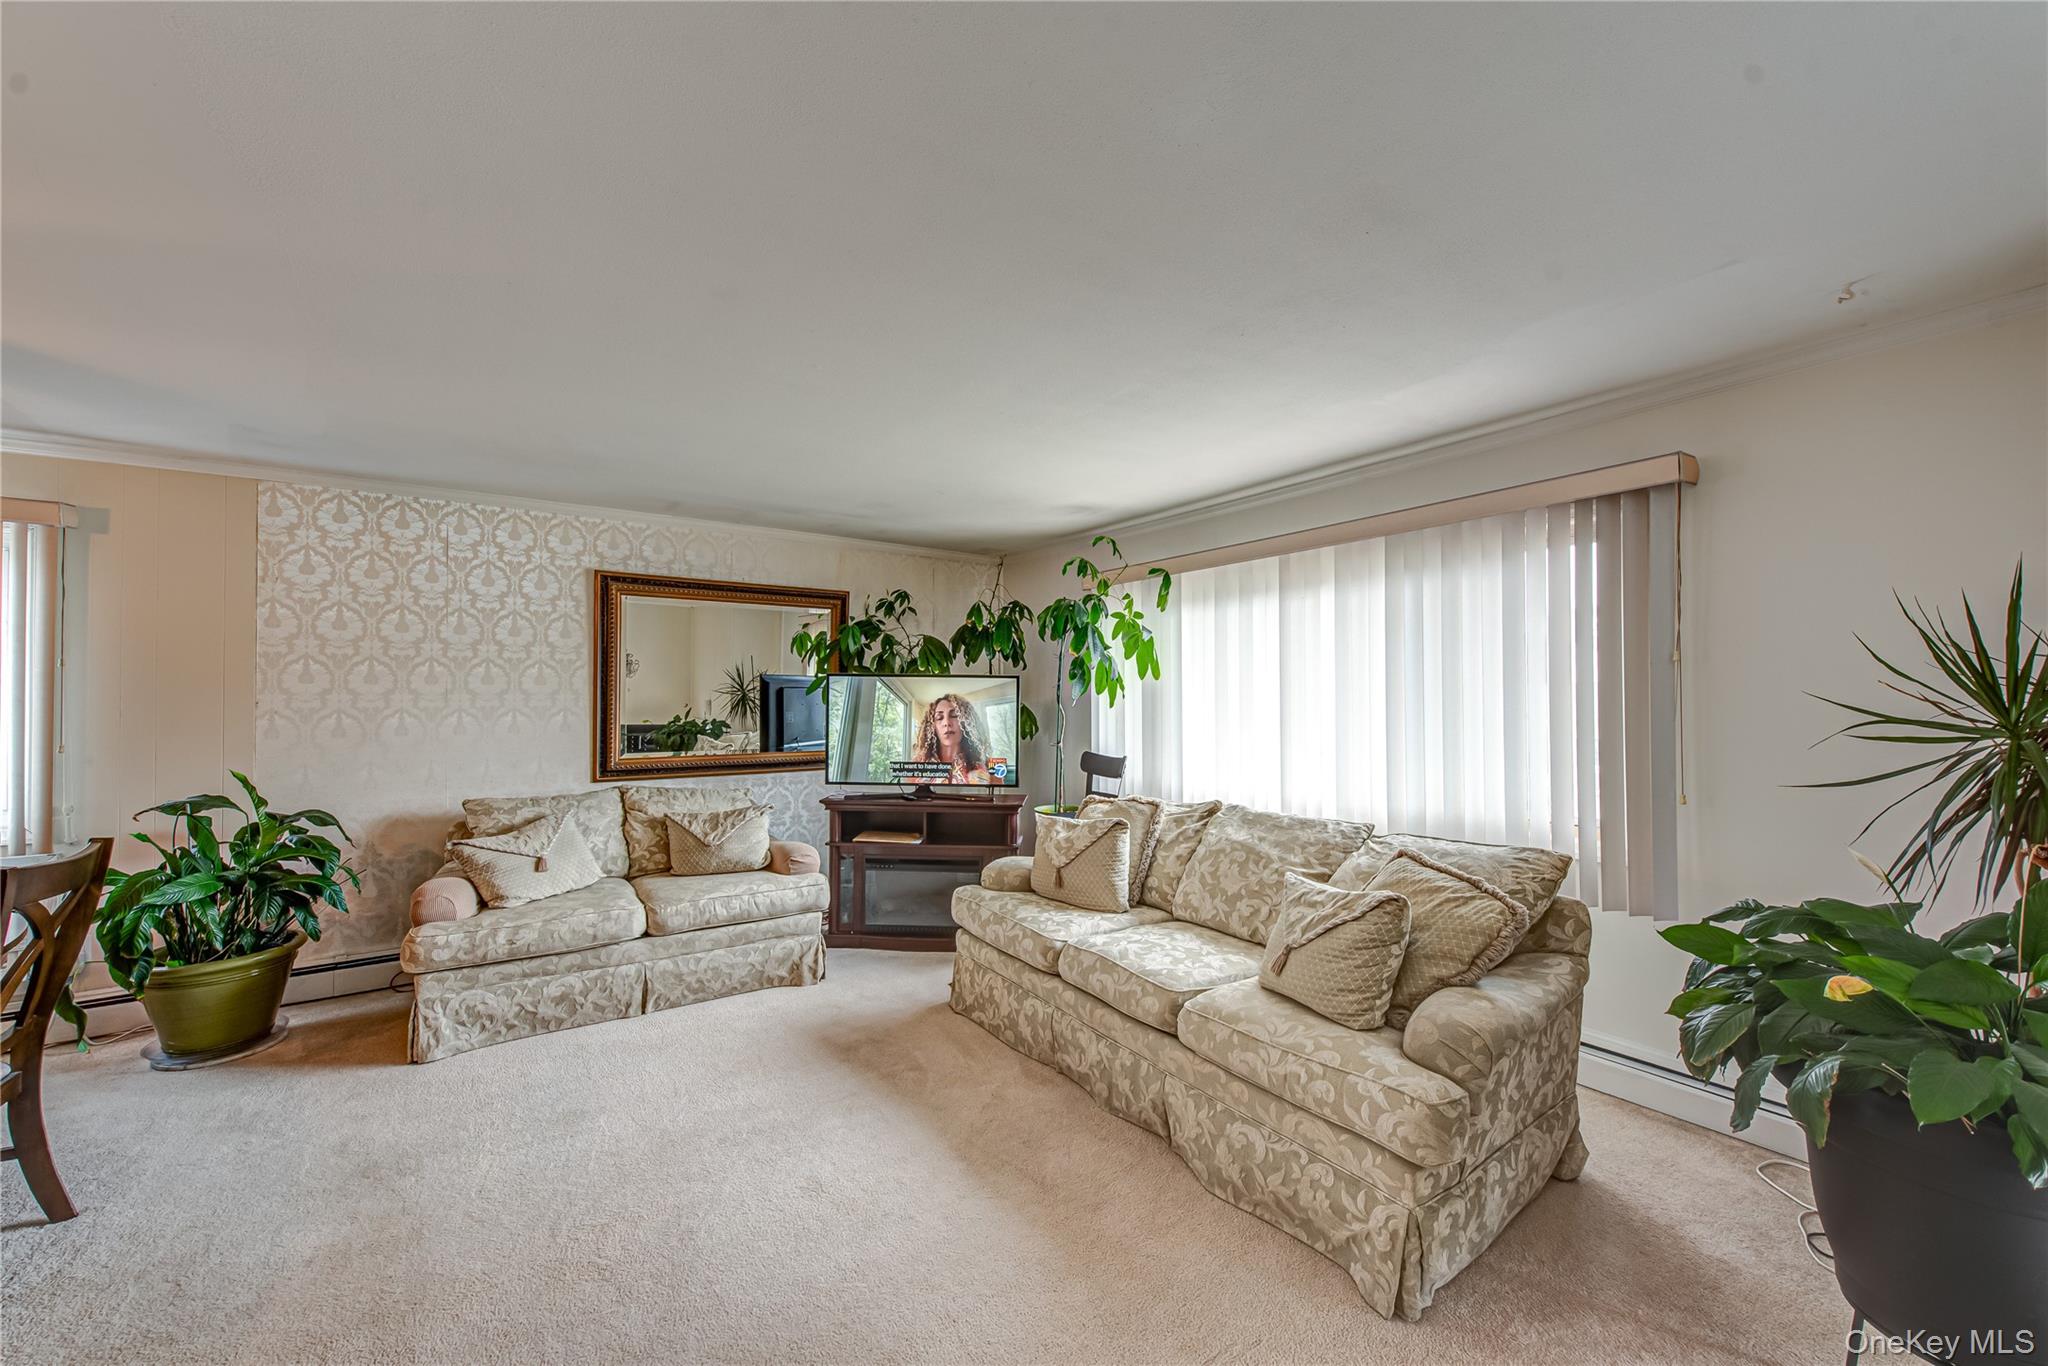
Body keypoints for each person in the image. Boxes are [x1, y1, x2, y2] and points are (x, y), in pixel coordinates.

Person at [911, 693, 993, 785]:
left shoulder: (988, 766)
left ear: (965, 722)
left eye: (954, 715)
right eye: (939, 718)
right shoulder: (918, 764)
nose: (946, 722)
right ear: (932, 726)